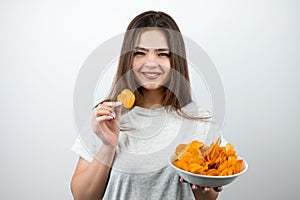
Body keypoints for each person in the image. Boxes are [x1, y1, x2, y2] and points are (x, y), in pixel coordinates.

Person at [70, 10, 223, 200]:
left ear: (175, 60)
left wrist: (204, 189)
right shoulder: (105, 116)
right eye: (140, 53)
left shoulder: (201, 122)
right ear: (128, 58)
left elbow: (207, 197)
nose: (151, 62)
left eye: (162, 54)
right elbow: (82, 197)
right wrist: (107, 146)